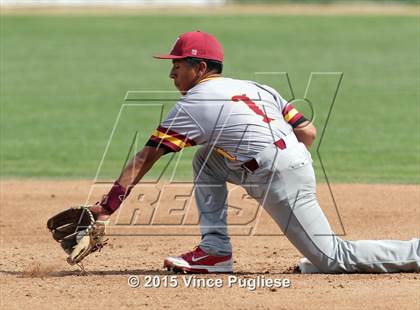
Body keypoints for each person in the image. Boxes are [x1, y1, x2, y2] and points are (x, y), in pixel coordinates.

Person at [90, 31, 420, 274]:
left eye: (178, 64)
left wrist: (108, 206)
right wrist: (281, 164)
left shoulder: (193, 103)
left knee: (335, 259)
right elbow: (307, 131)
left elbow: (145, 158)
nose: (172, 72)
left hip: (278, 173)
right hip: (292, 160)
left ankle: (415, 252)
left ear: (200, 67)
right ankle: (215, 251)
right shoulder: (255, 86)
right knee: (207, 160)